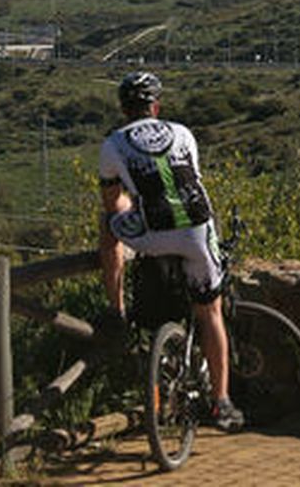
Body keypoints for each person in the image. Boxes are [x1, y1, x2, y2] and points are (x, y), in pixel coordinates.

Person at [97, 71, 244, 431]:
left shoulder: (112, 144)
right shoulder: (183, 133)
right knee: (211, 312)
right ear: (156, 107)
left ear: (123, 109)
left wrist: (132, 204)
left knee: (107, 223)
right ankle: (222, 402)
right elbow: (187, 182)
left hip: (152, 234)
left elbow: (112, 203)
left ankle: (116, 309)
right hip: (197, 231)